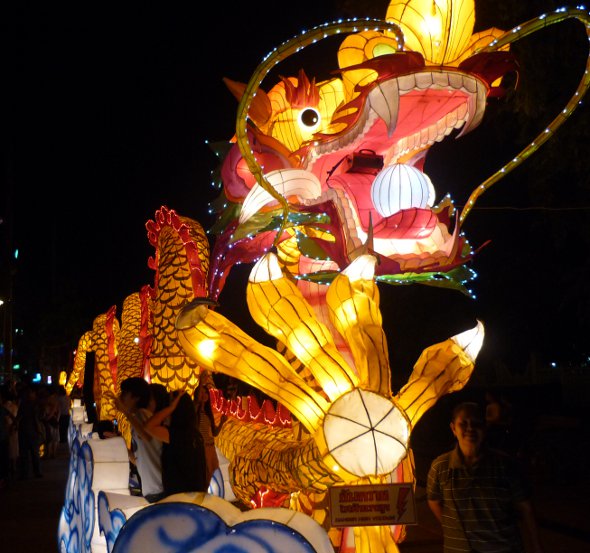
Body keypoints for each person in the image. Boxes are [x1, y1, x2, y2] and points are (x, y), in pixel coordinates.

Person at [427, 401, 543, 553]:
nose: (470, 428)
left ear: (485, 427)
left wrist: (537, 547)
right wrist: (452, 529)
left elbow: (526, 508)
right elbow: (434, 501)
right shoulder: (440, 467)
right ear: (453, 428)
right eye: (463, 423)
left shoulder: (506, 465)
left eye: (476, 423)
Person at [145, 390, 207, 497]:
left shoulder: (176, 434)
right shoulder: (195, 434)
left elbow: (148, 426)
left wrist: (171, 408)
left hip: (180, 498)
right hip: (195, 495)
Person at [115, 377, 165, 503]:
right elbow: (139, 460)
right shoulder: (136, 420)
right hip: (153, 490)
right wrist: (120, 445)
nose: (121, 397)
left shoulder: (142, 415)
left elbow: (146, 435)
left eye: (125, 393)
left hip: (158, 490)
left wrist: (125, 411)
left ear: (136, 397)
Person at [193, 381, 222, 486]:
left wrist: (222, 422)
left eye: (206, 393)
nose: (204, 395)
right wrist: (201, 381)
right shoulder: (195, 411)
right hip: (202, 448)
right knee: (206, 477)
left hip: (211, 449)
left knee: (215, 476)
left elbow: (214, 433)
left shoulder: (208, 412)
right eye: (202, 392)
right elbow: (196, 401)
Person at [16, 384, 44, 479]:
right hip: (29, 431)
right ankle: (33, 472)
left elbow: (19, 417)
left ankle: (28, 473)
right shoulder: (31, 404)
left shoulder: (28, 404)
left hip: (28, 431)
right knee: (31, 453)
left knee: (29, 453)